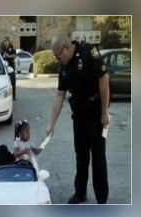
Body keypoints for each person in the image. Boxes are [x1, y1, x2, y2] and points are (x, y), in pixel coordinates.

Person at [46, 33, 110, 204]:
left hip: (96, 114)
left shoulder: (88, 52)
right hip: (79, 116)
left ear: (67, 47)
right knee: (81, 157)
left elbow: (104, 80)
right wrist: (51, 124)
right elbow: (60, 95)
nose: (58, 60)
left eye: (59, 56)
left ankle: (101, 199)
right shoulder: (64, 68)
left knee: (98, 159)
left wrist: (104, 112)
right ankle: (80, 193)